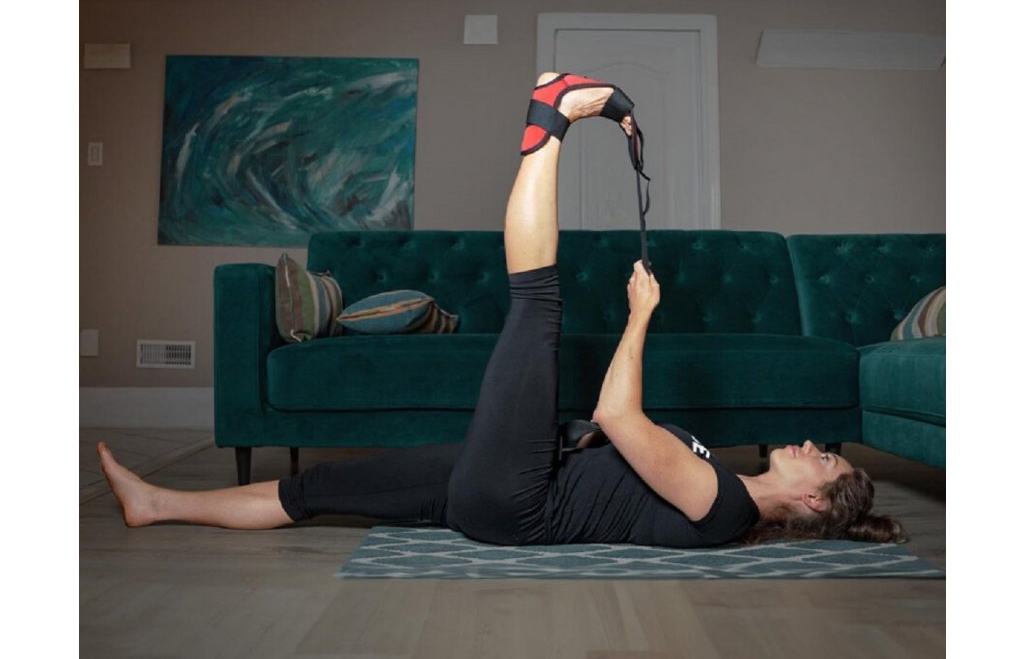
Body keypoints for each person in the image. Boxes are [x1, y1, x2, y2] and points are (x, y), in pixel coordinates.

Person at [97, 72, 906, 548]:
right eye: (825, 452)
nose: (813, 447)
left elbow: (617, 415)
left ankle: (551, 113)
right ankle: (159, 504)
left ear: (812, 502)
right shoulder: (721, 486)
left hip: (519, 498)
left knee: (536, 306)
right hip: (510, 484)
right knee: (322, 488)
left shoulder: (725, 506)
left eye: (824, 462)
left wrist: (640, 316)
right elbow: (610, 446)